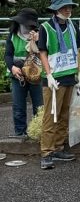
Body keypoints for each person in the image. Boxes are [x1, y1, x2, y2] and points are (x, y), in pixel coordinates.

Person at [37, 0, 80, 170]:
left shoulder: (72, 26)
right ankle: (46, 152)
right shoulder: (46, 27)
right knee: (51, 115)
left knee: (64, 114)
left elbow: (76, 50)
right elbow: (42, 52)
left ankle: (58, 147)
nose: (68, 9)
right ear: (56, 8)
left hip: (69, 76)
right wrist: (48, 75)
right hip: (54, 79)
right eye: (65, 7)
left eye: (70, 6)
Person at [4, 8, 43, 138]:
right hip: (17, 74)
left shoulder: (39, 34)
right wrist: (13, 68)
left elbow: (44, 53)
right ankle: (20, 133)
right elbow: (8, 55)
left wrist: (37, 41)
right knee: (18, 106)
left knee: (39, 105)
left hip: (36, 74)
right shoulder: (13, 35)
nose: (27, 26)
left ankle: (39, 132)